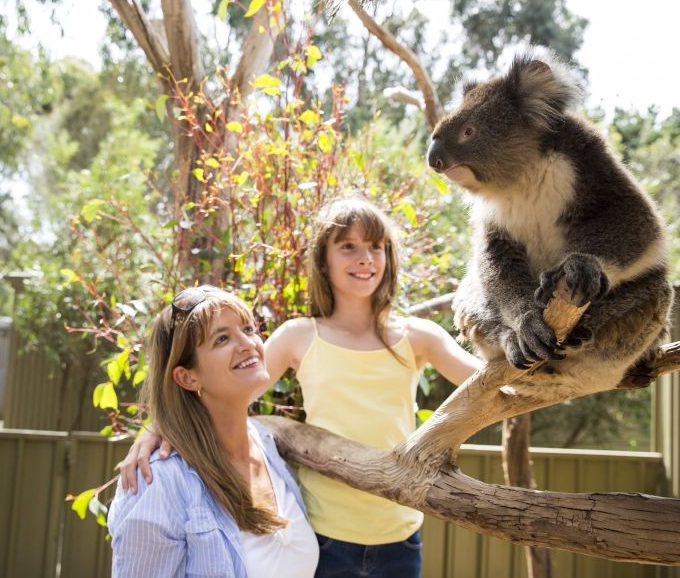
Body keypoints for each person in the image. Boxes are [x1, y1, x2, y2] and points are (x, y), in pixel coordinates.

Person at [120, 197, 484, 577]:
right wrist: (154, 430)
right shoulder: (299, 337)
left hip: (400, 533)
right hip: (325, 534)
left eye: (376, 246)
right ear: (323, 262)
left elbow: (487, 384)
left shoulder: (419, 336)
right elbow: (223, 392)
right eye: (348, 247)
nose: (365, 258)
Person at [108, 286, 319, 578]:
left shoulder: (267, 446)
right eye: (222, 339)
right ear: (187, 376)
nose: (247, 343)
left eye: (248, 328)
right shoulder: (158, 483)